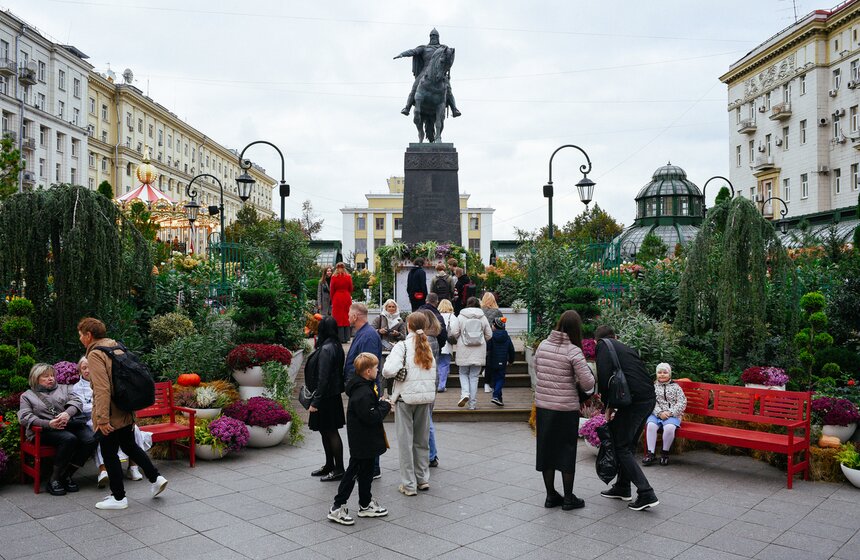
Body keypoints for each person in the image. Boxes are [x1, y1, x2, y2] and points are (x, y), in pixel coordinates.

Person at [78, 317, 168, 510]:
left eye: (80, 334)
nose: (80, 338)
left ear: (88, 335)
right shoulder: (115, 345)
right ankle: (156, 477)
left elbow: (102, 389)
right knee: (129, 445)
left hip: (110, 413)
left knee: (109, 453)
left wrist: (101, 419)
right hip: (126, 408)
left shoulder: (95, 354)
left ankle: (119, 498)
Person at [534, 311, 595, 511]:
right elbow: (588, 382)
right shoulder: (573, 351)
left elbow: (537, 370)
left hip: (543, 407)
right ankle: (569, 498)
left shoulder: (543, 345)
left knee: (546, 451)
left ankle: (551, 496)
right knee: (566, 452)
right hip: (565, 409)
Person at [595, 325, 660, 511]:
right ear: (615, 336)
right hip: (646, 398)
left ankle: (646, 492)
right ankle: (623, 487)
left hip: (634, 402)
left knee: (621, 446)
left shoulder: (603, 346)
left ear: (596, 341)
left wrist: (607, 407)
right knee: (627, 444)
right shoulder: (624, 347)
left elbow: (605, 378)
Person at [327, 352, 391, 526]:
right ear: (368, 371)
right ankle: (337, 507)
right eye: (377, 367)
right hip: (362, 441)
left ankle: (365, 503)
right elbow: (371, 416)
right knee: (353, 473)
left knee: (367, 472)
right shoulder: (362, 391)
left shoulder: (364, 386)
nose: (378, 370)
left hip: (366, 440)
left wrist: (380, 404)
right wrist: (385, 406)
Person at [73, 356, 152, 488]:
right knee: (99, 434)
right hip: (92, 420)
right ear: (80, 371)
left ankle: (133, 467)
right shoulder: (76, 387)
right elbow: (82, 407)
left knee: (134, 430)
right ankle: (103, 470)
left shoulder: (105, 381)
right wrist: (98, 408)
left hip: (112, 416)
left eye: (89, 367)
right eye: (84, 368)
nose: (87, 370)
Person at [18, 363, 96, 496]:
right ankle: (53, 480)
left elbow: (77, 401)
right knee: (68, 439)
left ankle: (67, 475)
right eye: (46, 376)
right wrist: (49, 423)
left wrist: (67, 414)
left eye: (52, 376)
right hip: (44, 431)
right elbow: (25, 417)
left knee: (91, 439)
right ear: (36, 378)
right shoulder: (27, 396)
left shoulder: (65, 388)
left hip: (69, 424)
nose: (51, 379)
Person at [382, 312, 436, 496]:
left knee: (406, 443)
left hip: (405, 398)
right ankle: (423, 479)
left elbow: (388, 370)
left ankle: (409, 484)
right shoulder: (427, 346)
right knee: (422, 441)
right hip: (425, 399)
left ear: (408, 325)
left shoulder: (402, 346)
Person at [343, 302, 384, 478]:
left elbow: (368, 367)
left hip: (365, 391)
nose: (347, 317)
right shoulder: (364, 333)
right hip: (361, 389)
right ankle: (369, 468)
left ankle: (372, 469)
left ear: (355, 316)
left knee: (368, 429)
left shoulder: (367, 336)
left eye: (349, 314)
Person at [308, 316, 347, 482]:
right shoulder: (336, 345)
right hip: (332, 395)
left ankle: (338, 468)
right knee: (326, 431)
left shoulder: (326, 348)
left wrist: (315, 402)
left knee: (330, 432)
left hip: (325, 397)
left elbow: (323, 377)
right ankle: (330, 465)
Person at [394, 28, 461, 117]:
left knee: (448, 89)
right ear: (429, 37)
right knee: (414, 87)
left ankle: (454, 109)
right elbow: (413, 51)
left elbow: (450, 57)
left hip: (440, 72)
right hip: (425, 72)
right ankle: (407, 107)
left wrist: (447, 67)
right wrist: (402, 54)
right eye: (432, 36)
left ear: (438, 37)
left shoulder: (443, 48)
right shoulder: (424, 48)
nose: (433, 37)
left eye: (435, 36)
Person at [447, 296, 492, 410]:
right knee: (474, 377)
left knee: (463, 373)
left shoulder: (461, 316)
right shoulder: (482, 317)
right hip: (479, 350)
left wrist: (460, 338)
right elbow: (489, 334)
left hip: (464, 349)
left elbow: (454, 332)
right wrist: (481, 339)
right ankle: (472, 404)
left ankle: (465, 394)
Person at [644, 363, 687, 467]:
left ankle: (664, 453)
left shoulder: (676, 387)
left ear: (670, 374)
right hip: (656, 414)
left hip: (672, 415)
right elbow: (652, 402)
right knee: (651, 425)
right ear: (656, 374)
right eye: (659, 372)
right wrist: (659, 413)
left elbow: (682, 402)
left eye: (665, 372)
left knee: (669, 428)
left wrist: (670, 412)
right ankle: (651, 453)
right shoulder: (653, 387)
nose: (662, 374)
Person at [417, 308, 442, 469]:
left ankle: (432, 454)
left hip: (427, 382)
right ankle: (431, 454)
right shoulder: (434, 338)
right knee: (427, 417)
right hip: (432, 380)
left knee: (426, 418)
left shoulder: (427, 340)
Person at [486, 317, 515, 407]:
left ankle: (497, 396)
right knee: (500, 379)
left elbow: (488, 348)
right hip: (502, 361)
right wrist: (511, 360)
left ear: (494, 326)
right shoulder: (507, 337)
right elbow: (511, 350)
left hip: (492, 361)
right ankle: (498, 397)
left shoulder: (491, 336)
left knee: (496, 379)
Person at [480, 292, 503, 393]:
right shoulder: (497, 312)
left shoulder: (480, 312)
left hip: (481, 337)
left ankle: (484, 372)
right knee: (491, 359)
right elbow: (502, 325)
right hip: (493, 338)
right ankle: (489, 382)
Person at [329, 262, 354, 343]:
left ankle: (340, 337)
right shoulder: (348, 277)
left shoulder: (334, 277)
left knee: (338, 317)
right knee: (346, 317)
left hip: (337, 297)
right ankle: (346, 337)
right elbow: (351, 288)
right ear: (344, 268)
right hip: (346, 297)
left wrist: (332, 299)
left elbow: (332, 290)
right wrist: (347, 293)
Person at [436, 299, 455, 393]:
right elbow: (455, 331)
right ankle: (441, 385)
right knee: (444, 364)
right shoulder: (452, 316)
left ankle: (437, 383)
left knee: (438, 364)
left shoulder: (436, 316)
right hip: (447, 343)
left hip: (437, 343)